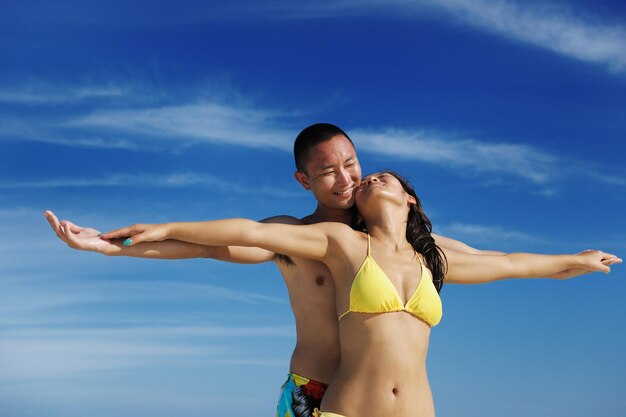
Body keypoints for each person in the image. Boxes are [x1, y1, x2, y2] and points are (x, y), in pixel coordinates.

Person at [45, 123, 578, 417]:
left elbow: (496, 260)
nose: (345, 179)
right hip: (318, 391)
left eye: (352, 165)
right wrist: (115, 247)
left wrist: (570, 262)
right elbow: (214, 245)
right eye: (328, 172)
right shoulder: (298, 237)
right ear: (305, 181)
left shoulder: (406, 245)